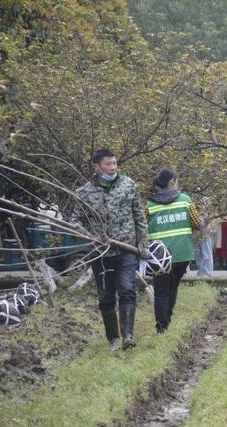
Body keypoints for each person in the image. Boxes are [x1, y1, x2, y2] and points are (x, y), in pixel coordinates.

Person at [72, 148, 148, 351]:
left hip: (126, 249)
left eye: (115, 163)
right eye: (108, 164)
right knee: (106, 297)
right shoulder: (84, 193)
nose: (113, 168)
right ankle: (113, 338)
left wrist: (143, 243)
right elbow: (74, 221)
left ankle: (128, 336)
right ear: (97, 167)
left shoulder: (128, 185)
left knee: (127, 290)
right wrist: (90, 236)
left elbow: (139, 216)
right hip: (100, 252)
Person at [146, 168, 201, 333]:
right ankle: (167, 318)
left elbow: (142, 226)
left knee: (161, 291)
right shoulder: (185, 200)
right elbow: (197, 222)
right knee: (173, 287)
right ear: (172, 182)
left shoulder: (149, 204)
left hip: (158, 257)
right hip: (182, 254)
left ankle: (161, 326)